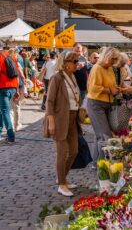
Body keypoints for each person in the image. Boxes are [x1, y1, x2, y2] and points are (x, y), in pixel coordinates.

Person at [87, 47, 132, 165]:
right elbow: (93, 87)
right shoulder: (97, 68)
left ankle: (98, 162)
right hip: (96, 104)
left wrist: (119, 88)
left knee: (101, 134)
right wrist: (110, 90)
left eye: (115, 59)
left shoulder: (110, 68)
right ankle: (104, 163)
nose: (114, 62)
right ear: (106, 57)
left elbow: (114, 84)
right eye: (113, 59)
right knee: (105, 135)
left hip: (107, 103)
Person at [44, 51, 82, 197]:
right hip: (60, 118)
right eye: (74, 61)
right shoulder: (57, 78)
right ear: (65, 63)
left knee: (74, 151)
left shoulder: (72, 76)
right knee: (62, 152)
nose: (76, 63)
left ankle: (62, 177)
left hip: (72, 117)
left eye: (77, 60)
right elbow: (50, 101)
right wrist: (51, 121)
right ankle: (61, 184)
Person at [0, 44, 19, 144]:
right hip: (12, 87)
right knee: (2, 111)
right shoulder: (9, 55)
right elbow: (16, 74)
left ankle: (11, 137)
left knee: (5, 111)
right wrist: (16, 90)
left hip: (3, 88)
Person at [9, 48, 25, 132]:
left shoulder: (5, 62)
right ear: (15, 54)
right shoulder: (16, 62)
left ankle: (11, 126)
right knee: (17, 106)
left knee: (10, 108)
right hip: (16, 86)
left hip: (8, 87)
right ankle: (17, 125)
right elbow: (21, 76)